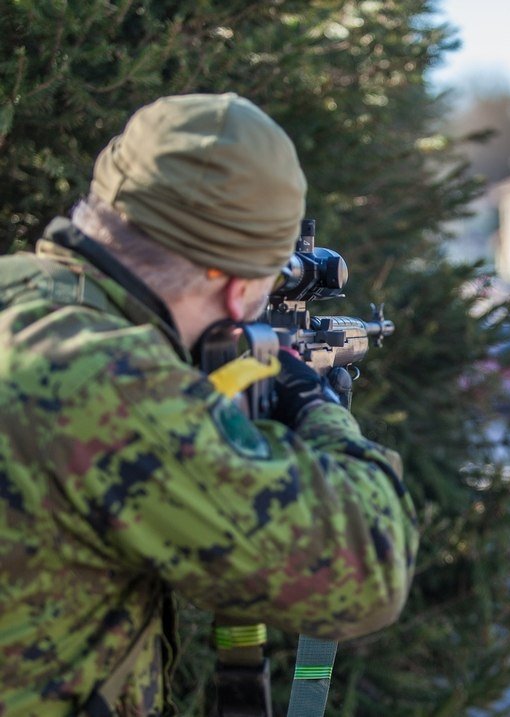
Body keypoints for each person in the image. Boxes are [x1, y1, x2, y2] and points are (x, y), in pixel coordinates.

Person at [0, 93, 418, 715]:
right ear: (240, 289)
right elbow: (370, 571)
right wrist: (313, 403)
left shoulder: (21, 295)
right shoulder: (104, 383)